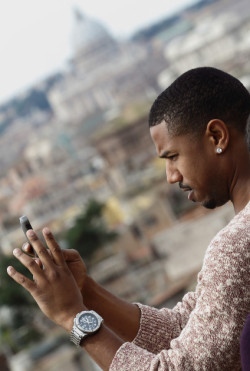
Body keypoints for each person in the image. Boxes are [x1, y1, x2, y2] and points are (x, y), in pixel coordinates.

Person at [7, 67, 250, 370]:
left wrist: (72, 317)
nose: (170, 176)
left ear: (217, 136)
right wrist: (85, 292)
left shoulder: (236, 245)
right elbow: (181, 331)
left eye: (172, 156)